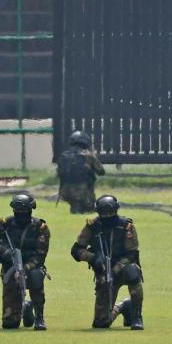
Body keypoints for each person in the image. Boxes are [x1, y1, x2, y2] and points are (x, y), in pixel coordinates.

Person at [71, 195, 144, 330]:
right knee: (101, 323)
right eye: (104, 214)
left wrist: (116, 268)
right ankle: (123, 307)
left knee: (133, 272)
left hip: (123, 267)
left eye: (110, 213)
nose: (107, 216)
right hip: (104, 273)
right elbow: (76, 250)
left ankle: (137, 316)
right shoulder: (92, 226)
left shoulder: (126, 226)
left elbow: (132, 254)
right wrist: (93, 258)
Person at [0, 194, 51, 330]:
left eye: (24, 211)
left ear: (30, 210)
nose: (21, 214)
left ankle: (39, 317)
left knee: (36, 277)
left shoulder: (40, 227)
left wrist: (25, 268)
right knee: (10, 324)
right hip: (10, 270)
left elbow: (40, 256)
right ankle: (25, 308)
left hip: (31, 267)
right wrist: (1, 249)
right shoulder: (4, 224)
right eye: (18, 211)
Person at [57, 130, 105, 214]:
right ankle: (81, 205)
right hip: (83, 192)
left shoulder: (64, 156)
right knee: (90, 210)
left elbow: (59, 174)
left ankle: (75, 206)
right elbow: (101, 171)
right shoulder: (88, 155)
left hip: (65, 192)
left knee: (77, 207)